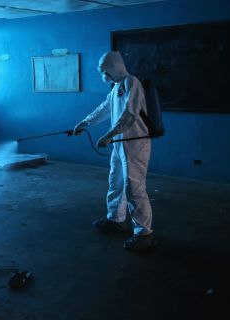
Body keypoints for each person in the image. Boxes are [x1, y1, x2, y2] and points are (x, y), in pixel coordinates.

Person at [73, 51, 157, 252]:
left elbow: (129, 115)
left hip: (135, 144)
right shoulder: (117, 86)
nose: (102, 74)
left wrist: (109, 135)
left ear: (113, 68)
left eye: (104, 70)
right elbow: (105, 108)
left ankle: (144, 233)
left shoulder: (131, 82)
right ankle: (116, 219)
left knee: (134, 188)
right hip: (120, 142)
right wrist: (86, 122)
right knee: (116, 182)